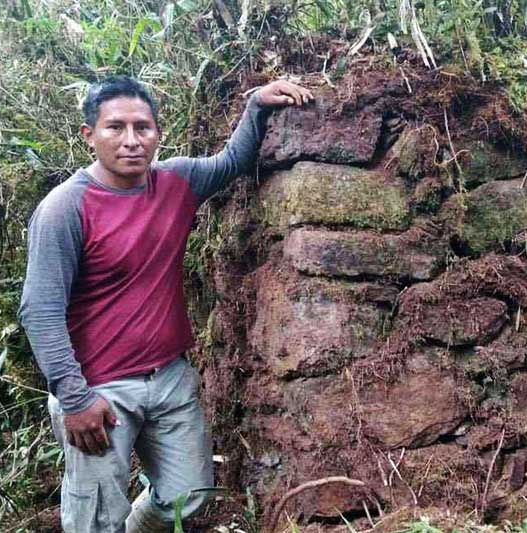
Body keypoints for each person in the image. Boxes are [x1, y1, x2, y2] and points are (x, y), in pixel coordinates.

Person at [17, 75, 313, 532]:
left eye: (144, 127)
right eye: (115, 127)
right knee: (96, 518)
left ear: (158, 131)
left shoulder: (177, 182)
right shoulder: (66, 209)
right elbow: (39, 311)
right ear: (88, 135)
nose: (132, 140)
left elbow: (232, 161)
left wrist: (256, 105)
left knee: (188, 497)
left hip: (169, 380)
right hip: (98, 391)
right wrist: (75, 399)